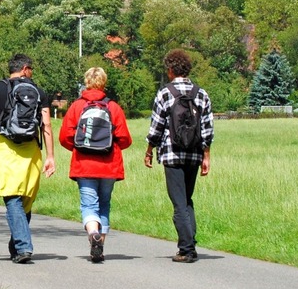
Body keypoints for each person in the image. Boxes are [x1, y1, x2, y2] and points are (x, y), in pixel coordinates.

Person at [0, 53, 56, 264]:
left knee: (12, 196)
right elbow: (46, 125)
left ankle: (23, 247)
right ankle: (17, 246)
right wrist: (51, 157)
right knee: (24, 199)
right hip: (32, 151)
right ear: (25, 68)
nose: (32, 74)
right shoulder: (38, 91)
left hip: (7, 150)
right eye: (31, 70)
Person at [144, 49, 214, 263]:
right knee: (186, 199)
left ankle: (186, 249)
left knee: (178, 202)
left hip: (171, 154)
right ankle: (190, 243)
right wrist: (206, 155)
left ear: (171, 69)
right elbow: (207, 128)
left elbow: (156, 126)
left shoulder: (165, 93)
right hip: (194, 154)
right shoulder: (201, 94)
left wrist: (149, 150)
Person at [59, 66, 132, 263]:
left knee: (89, 204)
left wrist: (79, 148)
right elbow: (125, 138)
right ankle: (100, 246)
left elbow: (64, 137)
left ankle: (93, 234)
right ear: (104, 82)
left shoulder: (76, 107)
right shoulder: (113, 107)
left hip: (84, 164)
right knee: (104, 204)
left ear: (86, 81)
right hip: (109, 165)